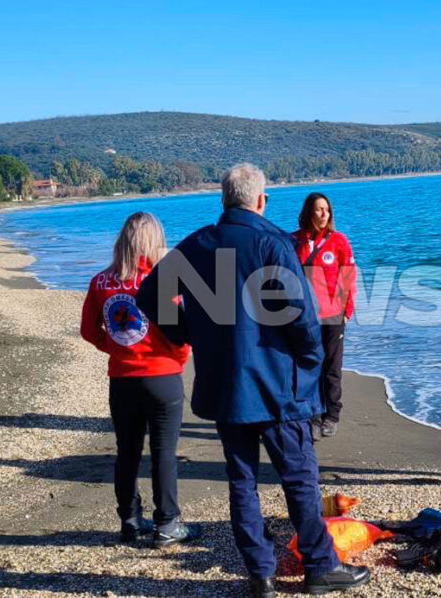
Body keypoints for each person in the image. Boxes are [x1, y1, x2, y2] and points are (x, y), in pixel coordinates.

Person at [138, 164, 370, 598]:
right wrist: (311, 363)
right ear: (260, 200)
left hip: (227, 385)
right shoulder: (272, 243)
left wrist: (187, 331)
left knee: (242, 480)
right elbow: (302, 319)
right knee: (299, 477)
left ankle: (260, 574)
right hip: (278, 384)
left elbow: (149, 296)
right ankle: (319, 568)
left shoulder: (196, 245)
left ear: (224, 199)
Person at [80, 212, 198, 548]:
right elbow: (179, 332)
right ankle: (167, 522)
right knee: (163, 452)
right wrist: (177, 359)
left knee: (127, 451)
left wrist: (117, 349)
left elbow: (89, 331)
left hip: (123, 378)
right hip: (162, 376)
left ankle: (129, 520)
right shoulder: (161, 281)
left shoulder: (100, 282)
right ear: (153, 241)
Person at [292, 193, 357, 438]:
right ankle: (313, 415)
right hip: (305, 316)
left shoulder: (339, 241)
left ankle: (332, 415)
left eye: (327, 210)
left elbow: (348, 277)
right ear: (309, 212)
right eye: (319, 210)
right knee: (309, 365)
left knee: (331, 365)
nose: (323, 214)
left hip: (333, 314)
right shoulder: (294, 241)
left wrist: (348, 310)